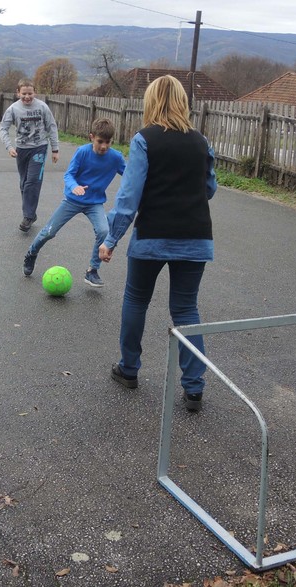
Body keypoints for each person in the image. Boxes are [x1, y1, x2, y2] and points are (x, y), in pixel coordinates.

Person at [99, 75, 217, 412]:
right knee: (185, 309)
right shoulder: (201, 141)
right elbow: (208, 189)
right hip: (196, 237)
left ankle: (129, 369)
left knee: (136, 299)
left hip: (152, 236)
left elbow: (129, 196)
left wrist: (111, 240)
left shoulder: (144, 139)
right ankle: (194, 388)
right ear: (183, 101)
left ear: (151, 102)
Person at [22, 118, 126, 287]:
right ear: (91, 137)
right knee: (49, 232)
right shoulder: (82, 152)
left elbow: (130, 175)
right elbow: (68, 175)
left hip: (94, 203)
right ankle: (32, 253)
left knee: (104, 230)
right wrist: (75, 186)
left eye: (108, 142)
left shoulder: (115, 157)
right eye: (100, 141)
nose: (104, 146)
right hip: (73, 200)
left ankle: (92, 270)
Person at [0, 79, 60, 232]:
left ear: (35, 92)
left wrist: (55, 149)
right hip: (21, 149)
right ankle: (31, 215)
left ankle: (28, 216)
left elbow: (51, 126)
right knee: (24, 183)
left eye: (30, 93)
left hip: (39, 147)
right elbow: (3, 129)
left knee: (32, 181)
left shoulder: (42, 107)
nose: (27, 96)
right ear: (18, 93)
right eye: (23, 93)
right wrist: (9, 147)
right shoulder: (13, 109)